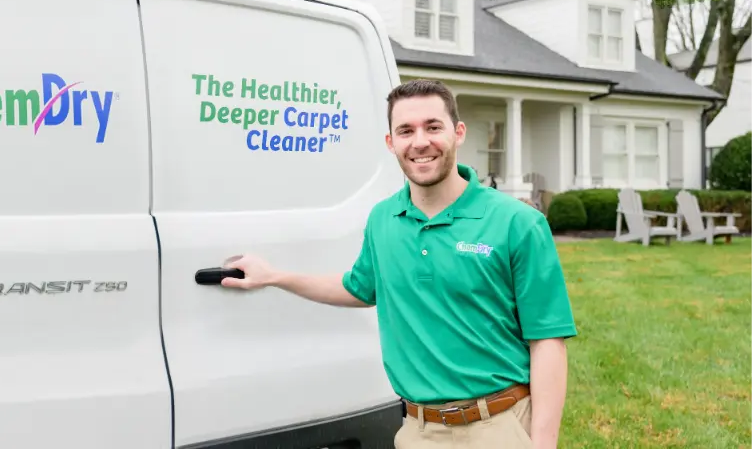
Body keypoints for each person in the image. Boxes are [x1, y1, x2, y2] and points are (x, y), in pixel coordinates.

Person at [220, 79, 577, 449]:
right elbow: (358, 287)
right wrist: (276, 276)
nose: (420, 141)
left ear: (458, 133)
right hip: (417, 431)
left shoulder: (517, 223)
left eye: (433, 127)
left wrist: (543, 443)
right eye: (406, 130)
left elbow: (547, 340)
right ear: (391, 143)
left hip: (499, 426)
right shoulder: (383, 219)